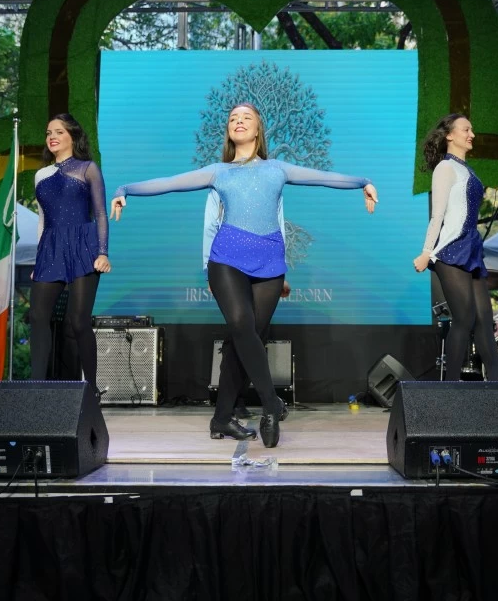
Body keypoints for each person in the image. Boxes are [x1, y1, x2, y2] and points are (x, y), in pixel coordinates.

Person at [111, 103, 377, 448]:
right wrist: (125, 189)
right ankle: (270, 404)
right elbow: (170, 183)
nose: (238, 121)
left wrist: (363, 183)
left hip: (269, 262)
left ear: (257, 130)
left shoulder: (277, 169)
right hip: (227, 258)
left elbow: (323, 177)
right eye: (233, 118)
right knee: (240, 325)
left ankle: (221, 419)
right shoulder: (218, 171)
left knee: (245, 341)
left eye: (246, 117)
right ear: (229, 131)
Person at [411, 114, 498, 382]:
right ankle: (450, 390)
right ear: (450, 135)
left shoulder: (467, 169)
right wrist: (427, 252)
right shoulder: (445, 168)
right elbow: (437, 215)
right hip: (451, 251)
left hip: (472, 250)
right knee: (463, 321)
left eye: (472, 130)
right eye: (466, 129)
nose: (471, 134)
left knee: (485, 324)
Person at [29, 113, 111, 384]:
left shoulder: (88, 168)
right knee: (38, 316)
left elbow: (100, 213)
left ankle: (92, 388)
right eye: (48, 133)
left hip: (83, 245)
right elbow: (43, 218)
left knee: (78, 321)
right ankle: (35, 387)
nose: (51, 137)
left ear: (73, 137)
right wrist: (39, 260)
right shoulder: (41, 175)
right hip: (51, 247)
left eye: (59, 132)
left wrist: (102, 252)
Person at [203, 190, 291, 418]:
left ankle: (230, 408)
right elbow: (211, 225)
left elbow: (279, 226)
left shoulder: (272, 184)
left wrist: (280, 268)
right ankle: (238, 404)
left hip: (267, 266)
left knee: (253, 336)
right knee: (240, 332)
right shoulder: (221, 184)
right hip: (229, 264)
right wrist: (209, 270)